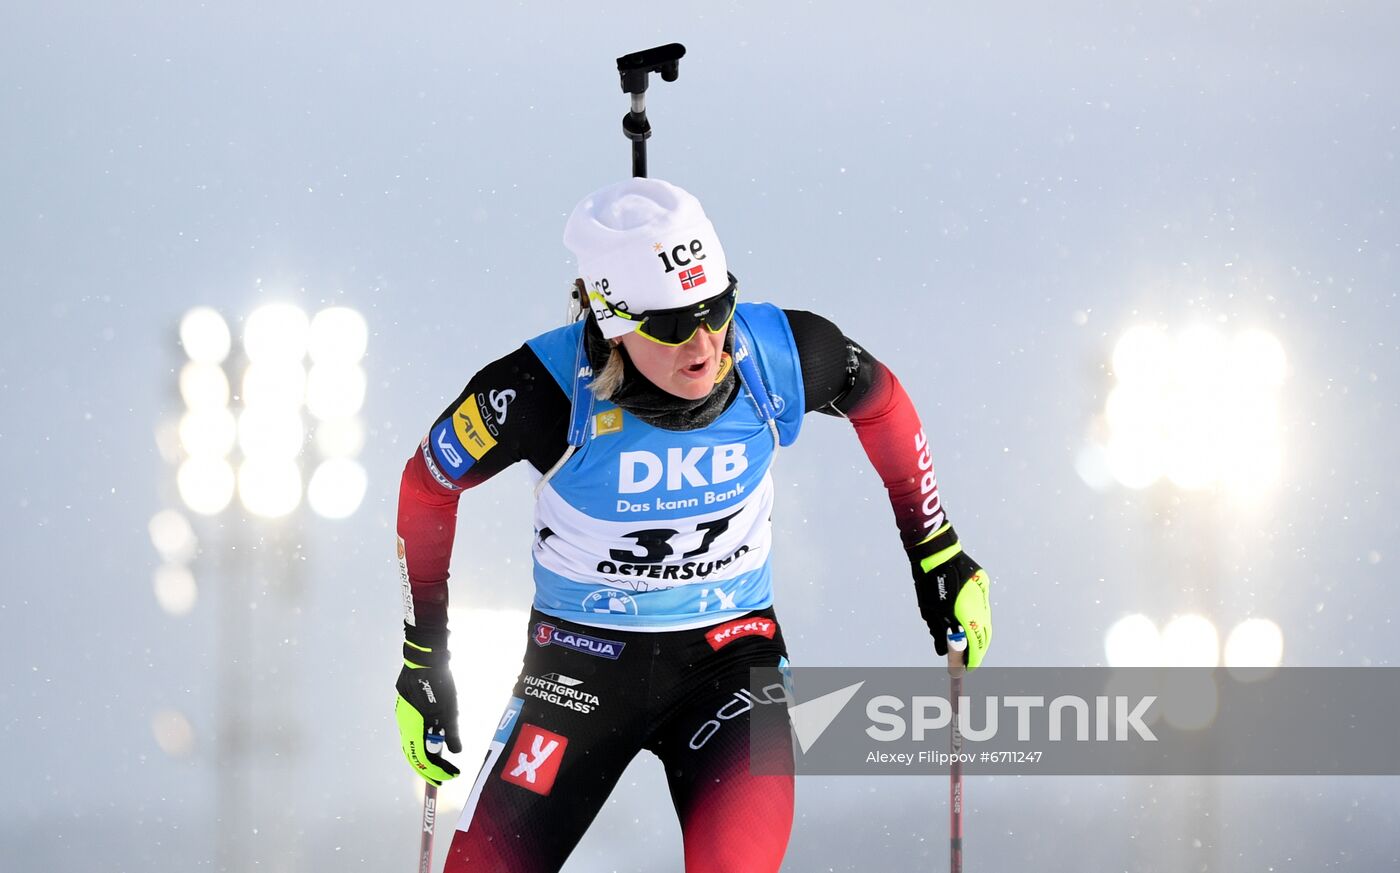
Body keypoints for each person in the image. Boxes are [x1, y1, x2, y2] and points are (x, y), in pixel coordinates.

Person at [394, 177, 992, 872]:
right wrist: (422, 655)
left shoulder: (781, 353)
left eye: (715, 308)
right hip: (579, 667)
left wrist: (937, 550)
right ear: (613, 321)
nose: (705, 344)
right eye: (673, 324)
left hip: (731, 660)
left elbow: (884, 406)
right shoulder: (539, 392)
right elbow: (426, 487)